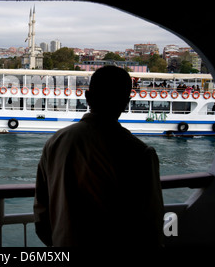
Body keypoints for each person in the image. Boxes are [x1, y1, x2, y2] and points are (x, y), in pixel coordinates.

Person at [34, 65, 164, 248]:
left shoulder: (55, 142)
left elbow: (41, 211)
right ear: (126, 101)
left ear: (88, 97)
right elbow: (151, 223)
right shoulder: (140, 153)